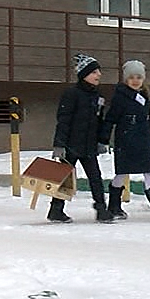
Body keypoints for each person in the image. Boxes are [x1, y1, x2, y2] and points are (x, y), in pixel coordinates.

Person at [100, 60, 150, 222]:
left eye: (139, 77)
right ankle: (114, 207)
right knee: (121, 174)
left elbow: (145, 119)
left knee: (149, 173)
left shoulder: (145, 97)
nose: (135, 80)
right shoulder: (120, 97)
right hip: (126, 142)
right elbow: (110, 119)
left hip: (143, 141)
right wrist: (103, 140)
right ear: (126, 79)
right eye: (132, 77)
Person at [52, 53, 114, 224]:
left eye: (99, 71)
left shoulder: (97, 96)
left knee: (95, 177)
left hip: (89, 146)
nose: (98, 75)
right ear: (84, 74)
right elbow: (63, 120)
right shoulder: (71, 94)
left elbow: (100, 121)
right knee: (65, 179)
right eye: (94, 72)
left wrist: (102, 140)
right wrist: (59, 145)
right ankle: (55, 210)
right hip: (70, 146)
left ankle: (101, 209)